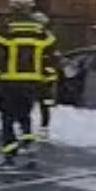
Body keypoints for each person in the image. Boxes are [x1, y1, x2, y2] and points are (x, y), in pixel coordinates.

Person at [0, 0, 58, 169]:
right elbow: (50, 57)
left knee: (7, 118)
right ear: (30, 8)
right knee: (25, 116)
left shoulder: (5, 30)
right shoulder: (42, 32)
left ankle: (9, 155)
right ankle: (29, 146)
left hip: (9, 82)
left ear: (12, 7)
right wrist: (48, 78)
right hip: (33, 83)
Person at [31, 9, 59, 139]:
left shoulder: (46, 37)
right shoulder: (48, 37)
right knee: (40, 103)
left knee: (43, 103)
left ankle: (43, 128)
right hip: (41, 76)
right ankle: (41, 128)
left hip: (43, 77)